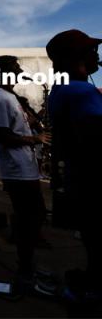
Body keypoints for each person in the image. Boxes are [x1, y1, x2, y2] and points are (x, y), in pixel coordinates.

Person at [46, 29, 102, 301]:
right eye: (91, 50)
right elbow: (93, 139)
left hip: (79, 178)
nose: (97, 55)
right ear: (74, 58)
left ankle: (92, 279)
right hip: (93, 178)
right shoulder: (82, 92)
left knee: (92, 237)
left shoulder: (61, 90)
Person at [0, 55, 51, 288]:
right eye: (15, 67)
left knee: (35, 216)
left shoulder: (11, 97)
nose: (19, 70)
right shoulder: (0, 99)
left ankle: (29, 265)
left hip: (26, 167)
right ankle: (25, 270)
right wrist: (34, 138)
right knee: (28, 219)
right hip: (16, 170)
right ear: (2, 72)